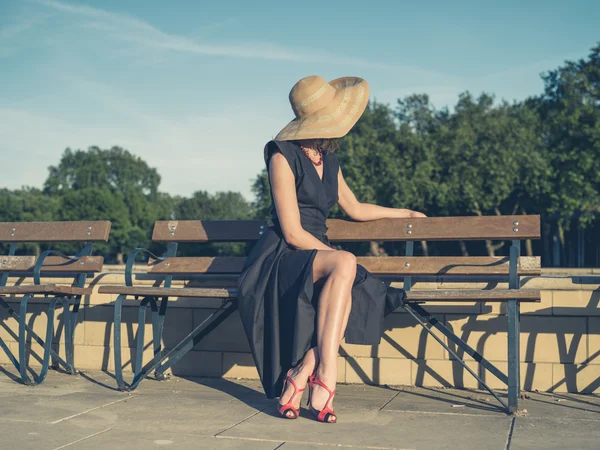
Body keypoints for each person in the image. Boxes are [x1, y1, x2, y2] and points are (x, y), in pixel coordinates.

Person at [237, 75, 426, 423]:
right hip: (282, 257)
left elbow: (354, 208)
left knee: (348, 275)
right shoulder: (282, 155)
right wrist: (335, 256)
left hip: (319, 256)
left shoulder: (328, 160)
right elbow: (293, 233)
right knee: (346, 266)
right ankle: (326, 373)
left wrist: (403, 212)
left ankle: (303, 372)